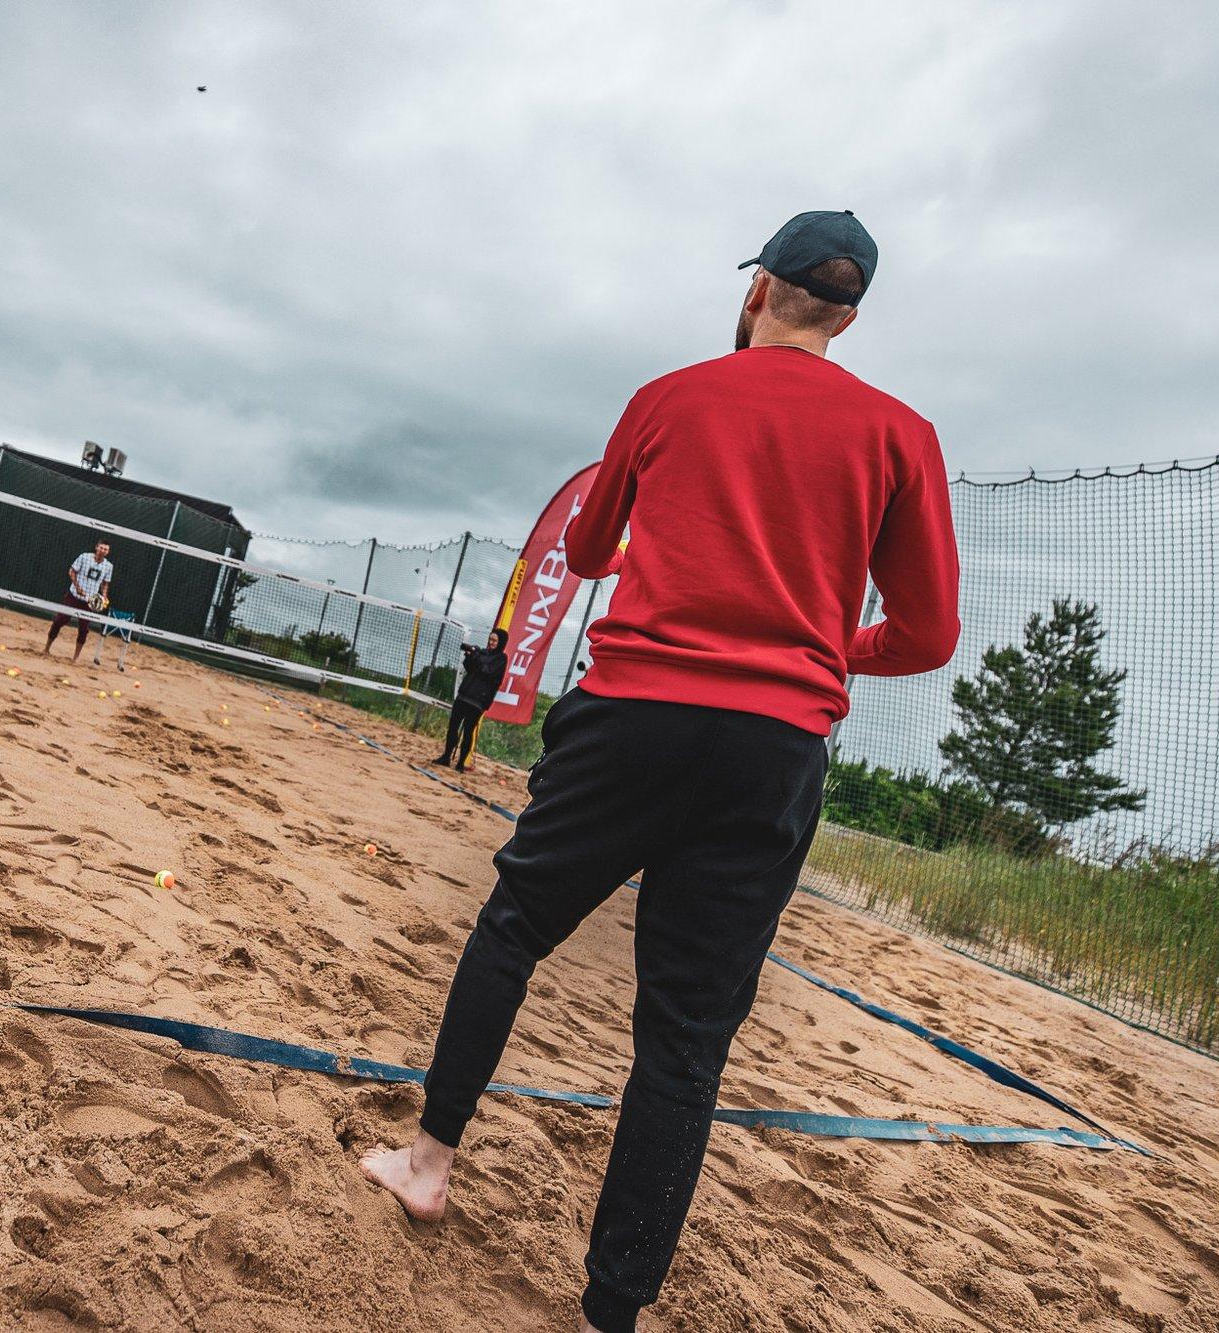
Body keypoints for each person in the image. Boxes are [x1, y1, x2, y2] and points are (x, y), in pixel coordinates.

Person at [361, 211, 961, 1333]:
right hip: (773, 742)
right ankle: (609, 1312)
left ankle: (428, 1160)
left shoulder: (670, 395)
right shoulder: (900, 432)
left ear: (755, 294)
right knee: (684, 1036)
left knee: (512, 926)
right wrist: (831, 646)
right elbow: (926, 634)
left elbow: (585, 554)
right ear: (847, 313)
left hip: (635, 708)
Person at [434, 629, 506, 770]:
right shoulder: (483, 653)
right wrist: (470, 656)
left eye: (494, 640)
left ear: (500, 642)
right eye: (490, 639)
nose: (491, 643)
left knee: (468, 731)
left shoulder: (501, 659)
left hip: (478, 701)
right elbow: (470, 668)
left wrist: (477, 657)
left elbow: (488, 672)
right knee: (453, 727)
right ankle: (446, 756)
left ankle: (461, 763)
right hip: (464, 694)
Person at [44, 540, 114, 661]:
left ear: (108, 552)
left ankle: (75, 658)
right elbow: (71, 571)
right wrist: (77, 587)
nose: (103, 551)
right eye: (101, 548)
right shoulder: (84, 557)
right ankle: (46, 649)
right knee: (59, 620)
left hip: (89, 601)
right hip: (73, 596)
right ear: (96, 547)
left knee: (83, 629)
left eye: (105, 549)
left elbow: (105, 584)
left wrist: (104, 596)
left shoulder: (108, 566)